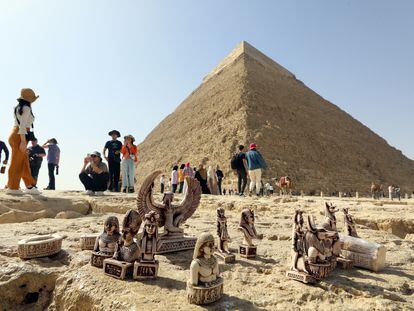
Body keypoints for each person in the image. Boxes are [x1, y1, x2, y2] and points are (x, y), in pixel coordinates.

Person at [6, 88, 40, 195]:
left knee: (24, 161)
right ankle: (13, 187)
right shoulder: (26, 108)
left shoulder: (18, 107)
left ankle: (29, 186)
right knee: (17, 162)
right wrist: (23, 141)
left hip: (15, 134)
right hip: (20, 136)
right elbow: (22, 126)